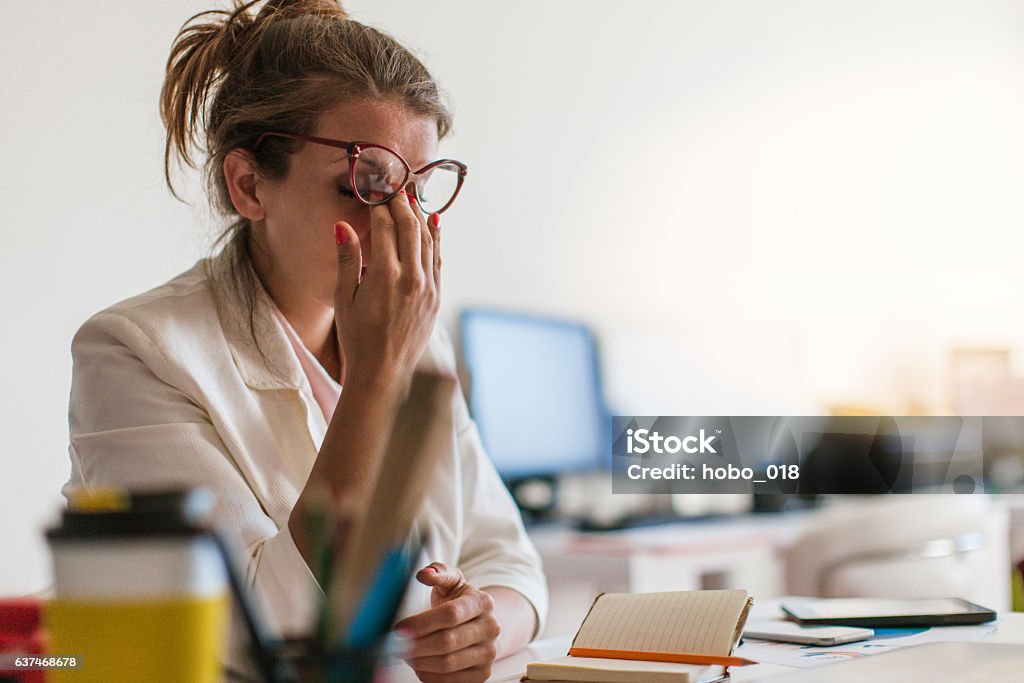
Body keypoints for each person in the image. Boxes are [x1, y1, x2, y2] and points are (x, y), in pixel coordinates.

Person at [62, 1, 547, 680]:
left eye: (419, 187)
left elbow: (512, 562)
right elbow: (259, 629)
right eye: (366, 183)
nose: (400, 223)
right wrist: (377, 377)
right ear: (250, 185)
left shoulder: (418, 341)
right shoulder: (135, 352)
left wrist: (479, 626)